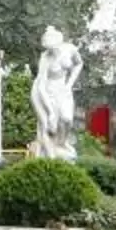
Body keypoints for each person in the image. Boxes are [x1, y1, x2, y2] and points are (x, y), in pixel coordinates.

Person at [31, 26, 82, 160]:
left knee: (67, 119)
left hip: (64, 89)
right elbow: (41, 87)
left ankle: (63, 142)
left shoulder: (70, 49)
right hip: (46, 92)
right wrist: (51, 112)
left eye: (53, 46)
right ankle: (49, 155)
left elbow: (78, 64)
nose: (51, 49)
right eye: (48, 47)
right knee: (48, 124)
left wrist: (70, 83)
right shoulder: (45, 59)